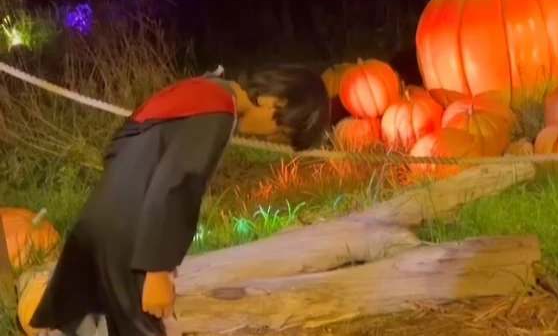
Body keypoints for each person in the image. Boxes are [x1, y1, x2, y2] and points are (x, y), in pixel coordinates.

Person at [27, 65, 331, 336]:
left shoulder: (203, 89)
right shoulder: (218, 110)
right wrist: (157, 269)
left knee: (89, 321)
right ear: (276, 101)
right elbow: (178, 186)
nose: (268, 139)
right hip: (130, 237)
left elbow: (118, 148)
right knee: (141, 327)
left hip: (102, 220)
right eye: (280, 133)